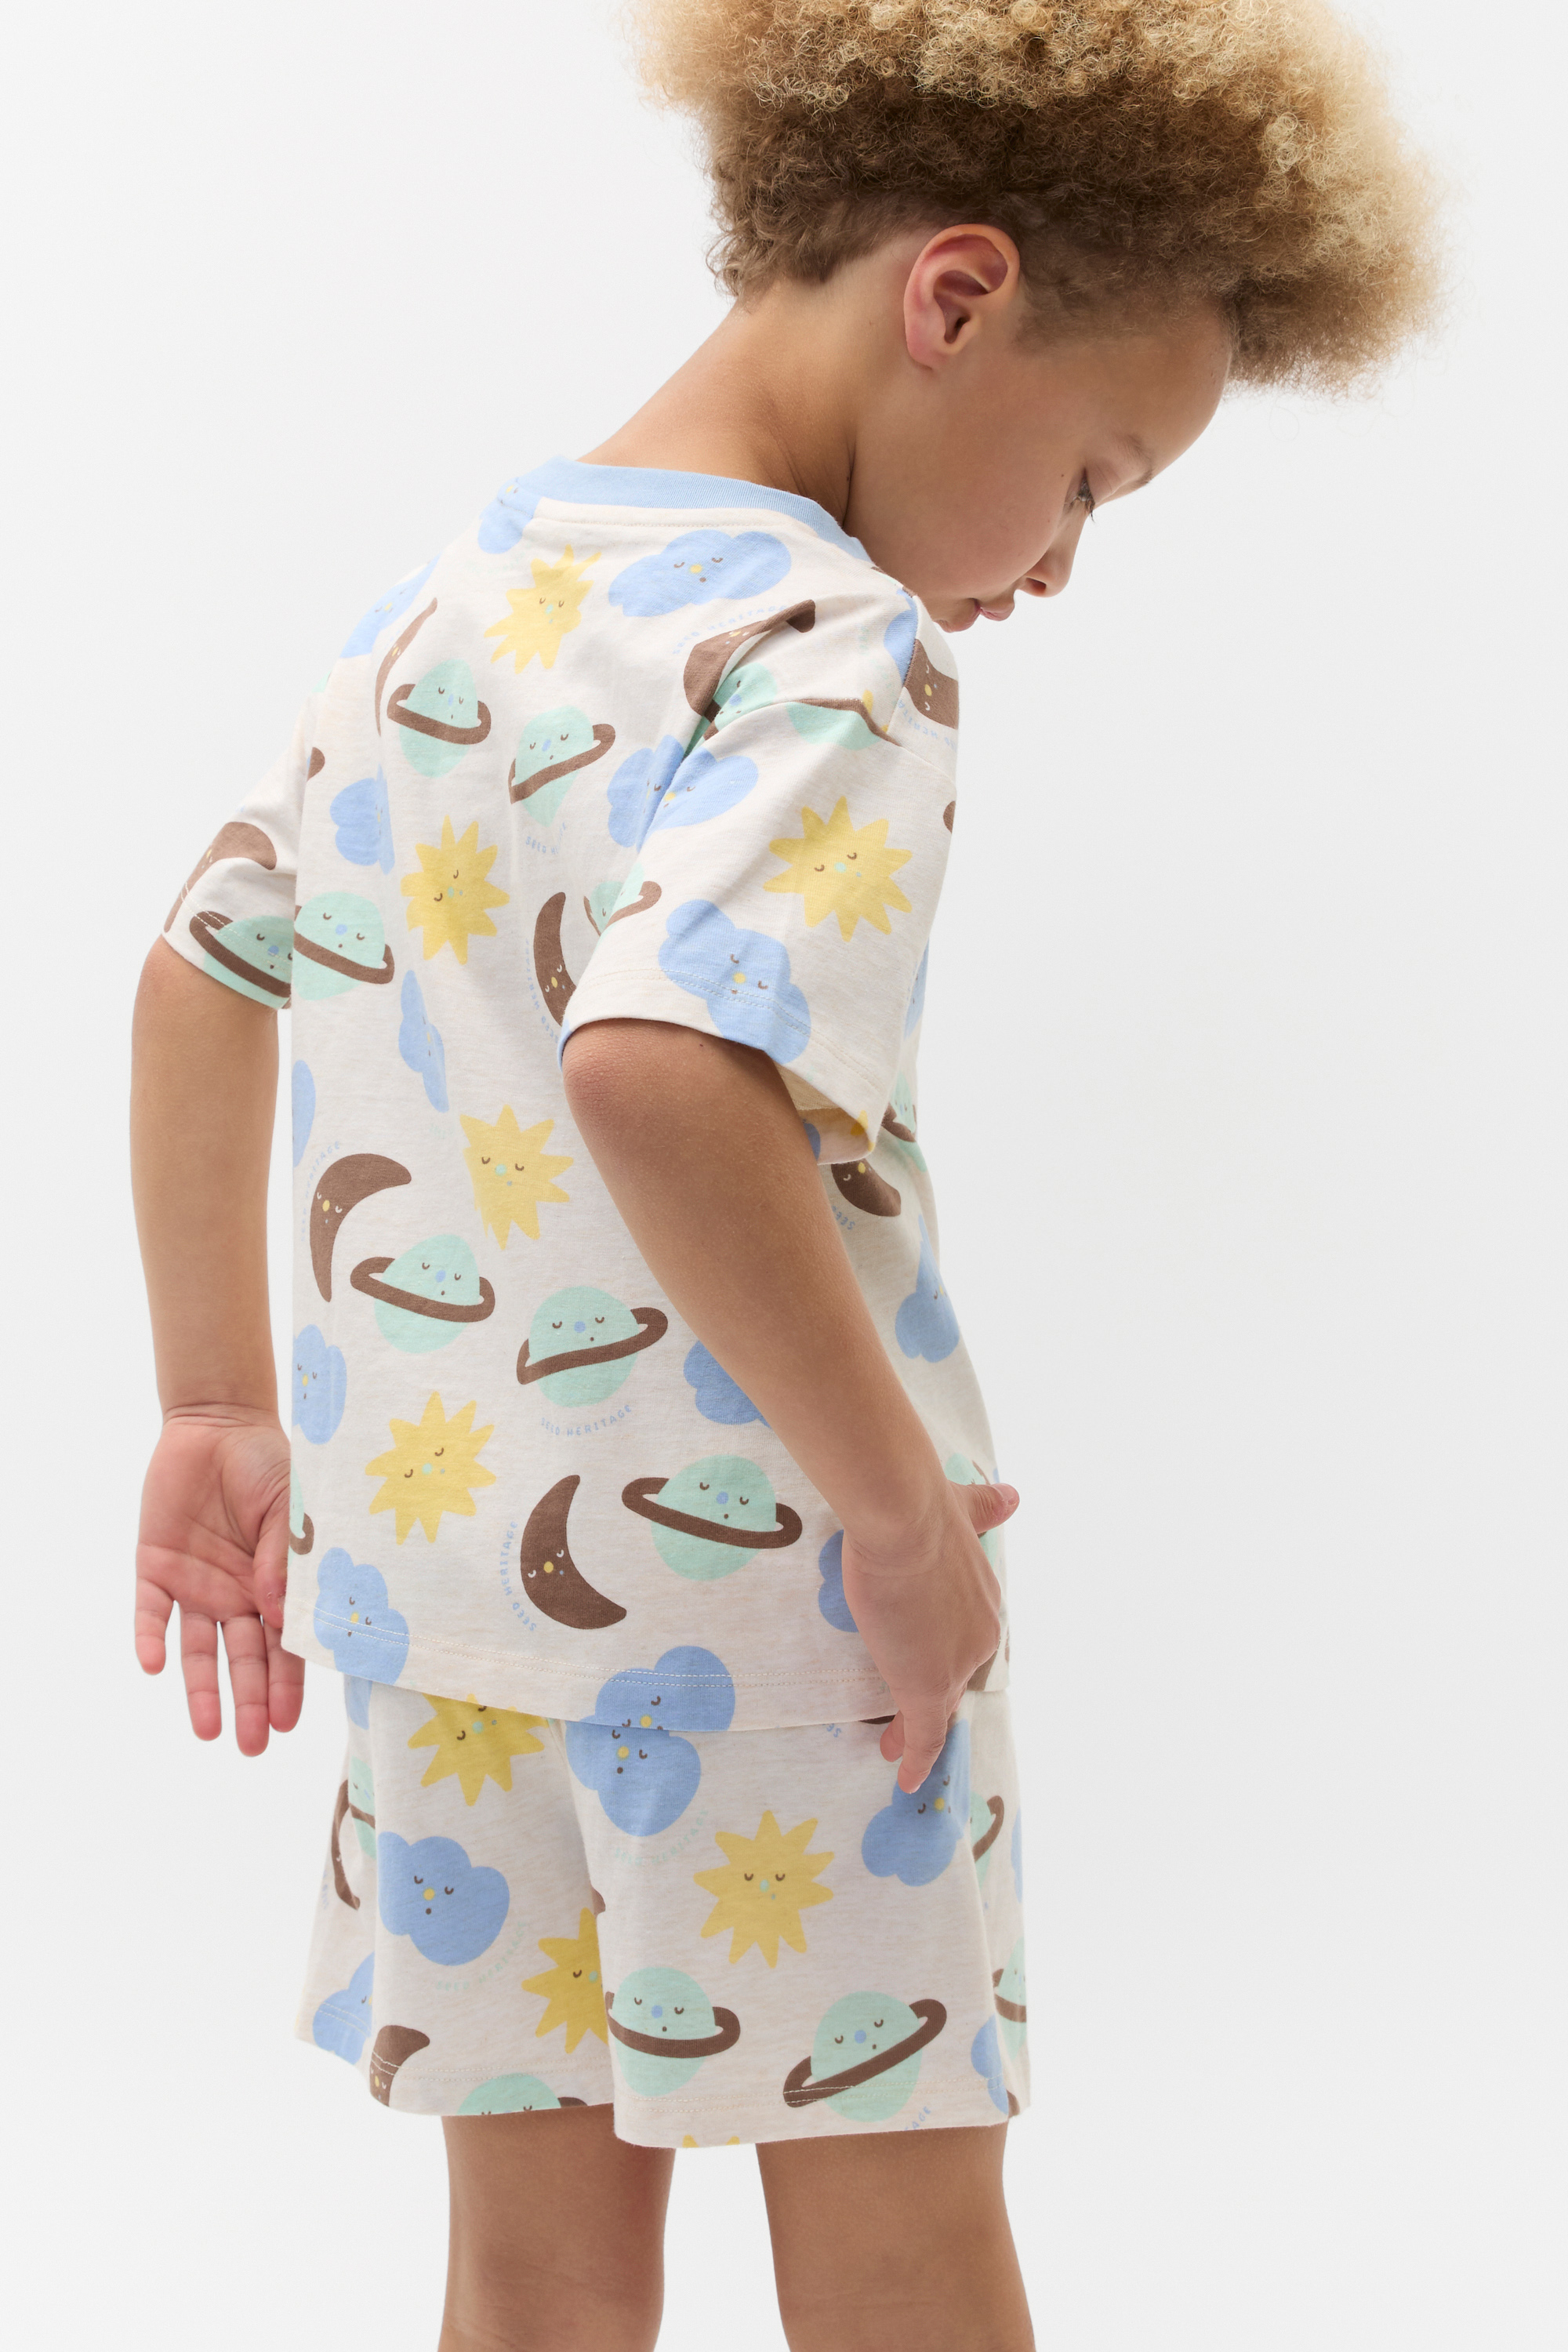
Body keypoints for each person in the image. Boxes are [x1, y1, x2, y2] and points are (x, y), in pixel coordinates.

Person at [129, 4, 1442, 2346]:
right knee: (900, 2256)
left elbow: (196, 976)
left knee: (529, 2284)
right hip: (788, 1637)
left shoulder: (454, 596)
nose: (1062, 565)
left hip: (446, 1622)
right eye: (1096, 477)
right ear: (959, 297)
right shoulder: (829, 650)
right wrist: (901, 1525)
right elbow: (660, 1069)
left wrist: (215, 1398)